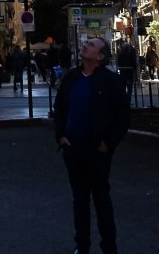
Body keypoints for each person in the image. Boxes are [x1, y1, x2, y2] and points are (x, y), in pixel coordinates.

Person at [54, 37, 129, 254]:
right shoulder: (72, 78)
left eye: (92, 45)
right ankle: (82, 245)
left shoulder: (110, 81)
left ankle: (109, 246)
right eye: (87, 43)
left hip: (98, 150)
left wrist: (108, 143)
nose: (86, 44)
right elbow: (59, 109)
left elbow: (123, 116)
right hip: (73, 149)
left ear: (100, 56)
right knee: (80, 200)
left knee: (101, 199)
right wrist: (60, 136)